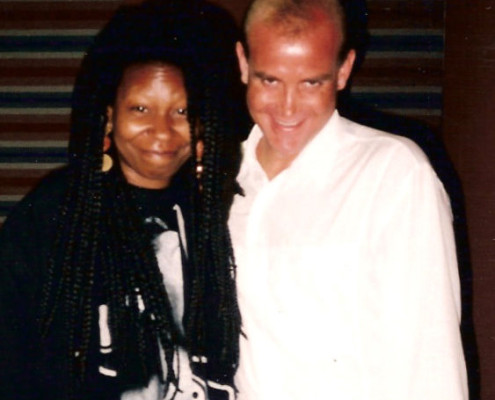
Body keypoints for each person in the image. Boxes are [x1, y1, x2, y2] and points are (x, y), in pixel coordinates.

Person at [0, 1, 247, 399]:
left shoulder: (224, 211)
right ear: (110, 115)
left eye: (182, 110)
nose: (162, 131)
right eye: (141, 108)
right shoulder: (50, 218)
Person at [228, 0, 468, 399]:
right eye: (269, 80)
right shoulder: (219, 176)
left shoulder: (392, 173)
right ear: (242, 63)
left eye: (311, 83)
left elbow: (431, 358)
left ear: (343, 71)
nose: (287, 109)